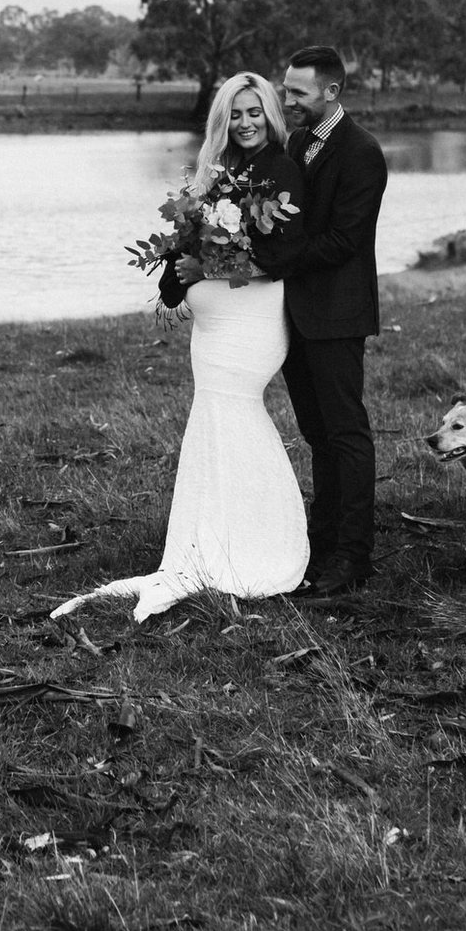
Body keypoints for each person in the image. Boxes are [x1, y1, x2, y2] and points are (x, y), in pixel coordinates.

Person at [52, 72, 309, 621]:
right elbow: (175, 275)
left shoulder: (280, 170)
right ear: (222, 119)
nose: (245, 123)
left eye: (255, 112)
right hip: (212, 332)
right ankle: (209, 536)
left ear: (270, 115)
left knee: (237, 413)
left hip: (252, 325)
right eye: (235, 114)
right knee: (213, 421)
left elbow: (283, 256)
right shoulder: (215, 175)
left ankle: (264, 544)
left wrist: (207, 263)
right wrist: (179, 271)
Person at [256, 44, 388, 597]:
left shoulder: (361, 153)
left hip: (336, 315)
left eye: (298, 93)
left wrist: (276, 258)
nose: (287, 101)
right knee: (316, 435)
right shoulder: (297, 143)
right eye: (286, 90)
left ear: (331, 92)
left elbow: (342, 240)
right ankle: (321, 537)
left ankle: (353, 555)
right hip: (296, 317)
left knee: (346, 433)